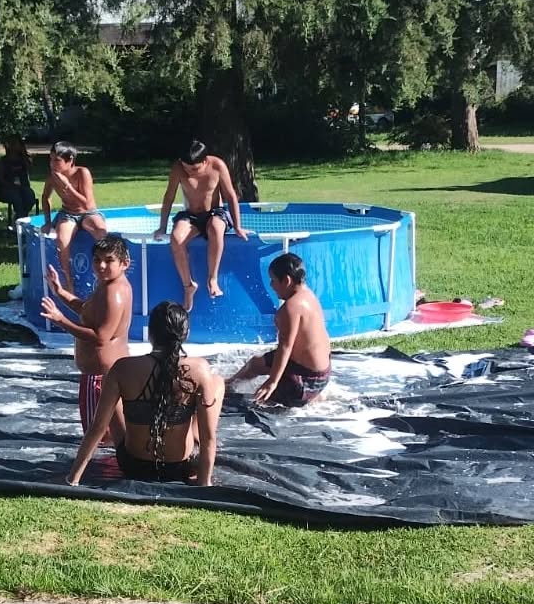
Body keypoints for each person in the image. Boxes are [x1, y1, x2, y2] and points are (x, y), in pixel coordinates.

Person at [66, 301, 224, 487]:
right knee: (217, 382)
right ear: (186, 334)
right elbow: (209, 437)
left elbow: (97, 428)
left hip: (133, 465)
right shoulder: (199, 368)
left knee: (114, 390)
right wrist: (204, 485)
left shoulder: (122, 368)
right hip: (180, 468)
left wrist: (73, 478)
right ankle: (191, 442)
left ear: (150, 334)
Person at [40, 235, 133, 434]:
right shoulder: (108, 285)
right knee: (112, 436)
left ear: (125, 263)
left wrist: (60, 320)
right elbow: (87, 310)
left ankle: (107, 466)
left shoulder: (113, 292)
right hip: (107, 373)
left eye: (109, 260)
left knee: (99, 438)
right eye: (97, 260)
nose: (101, 266)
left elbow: (101, 337)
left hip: (100, 376)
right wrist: (60, 292)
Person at [152, 139, 248, 311]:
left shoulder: (217, 165)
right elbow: (169, 197)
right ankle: (188, 285)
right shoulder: (178, 169)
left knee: (215, 228)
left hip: (214, 213)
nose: (191, 173)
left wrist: (238, 226)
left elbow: (231, 196)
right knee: (176, 238)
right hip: (191, 215)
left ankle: (212, 279)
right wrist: (162, 226)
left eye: (195, 169)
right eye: (187, 169)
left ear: (205, 161)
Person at [226, 253, 331, 406]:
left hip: (306, 381)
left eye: (273, 280)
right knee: (255, 364)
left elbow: (285, 347)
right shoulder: (309, 296)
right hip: (323, 374)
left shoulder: (291, 308)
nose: (271, 285)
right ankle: (229, 384)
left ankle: (309, 397)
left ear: (287, 280)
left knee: (262, 401)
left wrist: (272, 381)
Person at [40, 142, 107, 288]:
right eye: (50, 160)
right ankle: (68, 281)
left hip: (88, 212)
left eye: (56, 161)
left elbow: (86, 204)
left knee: (102, 234)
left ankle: (106, 276)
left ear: (70, 160)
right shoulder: (52, 177)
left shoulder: (82, 173)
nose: (52, 164)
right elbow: (45, 197)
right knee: (62, 240)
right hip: (68, 214)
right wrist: (47, 221)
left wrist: (67, 186)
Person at [0, 133, 37, 220]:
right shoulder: (4, 161)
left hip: (23, 188)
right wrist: (11, 186)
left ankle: (20, 217)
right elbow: (1, 178)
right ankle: (21, 220)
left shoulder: (24, 159)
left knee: (30, 196)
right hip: (8, 190)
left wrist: (23, 153)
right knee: (17, 198)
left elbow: (29, 167)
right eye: (14, 144)